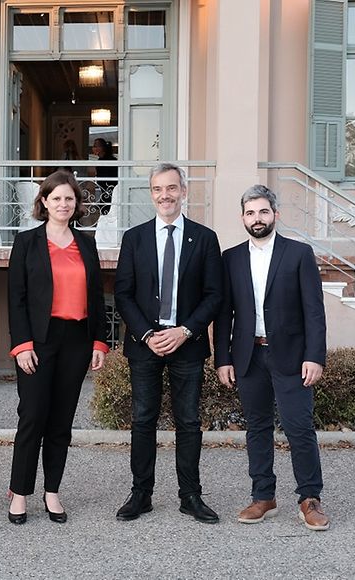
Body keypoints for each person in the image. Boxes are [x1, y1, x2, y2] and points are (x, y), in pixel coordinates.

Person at [214, 185, 329, 531]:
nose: (257, 218)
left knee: (299, 427)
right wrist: (223, 358)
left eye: (263, 212)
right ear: (243, 218)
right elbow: (224, 314)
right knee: (257, 428)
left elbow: (314, 312)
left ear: (275, 215)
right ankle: (263, 496)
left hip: (292, 358)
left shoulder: (298, 254)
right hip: (248, 356)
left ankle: (309, 498)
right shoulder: (231, 258)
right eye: (250, 213)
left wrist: (315, 356)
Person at [113, 162, 223, 523]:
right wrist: (147, 334)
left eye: (172, 188)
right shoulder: (135, 238)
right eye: (159, 189)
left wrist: (185, 331)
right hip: (145, 343)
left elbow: (213, 295)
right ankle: (140, 494)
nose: (166, 195)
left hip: (186, 343)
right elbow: (123, 294)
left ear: (184, 191)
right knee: (143, 419)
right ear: (151, 194)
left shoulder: (205, 238)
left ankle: (190, 495)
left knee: (188, 421)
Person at [6, 170, 109, 525]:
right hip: (38, 341)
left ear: (77, 204)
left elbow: (97, 297)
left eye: (69, 198)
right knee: (32, 417)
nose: (63, 204)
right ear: (44, 202)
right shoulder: (26, 242)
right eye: (56, 198)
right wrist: (21, 345)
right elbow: (16, 298)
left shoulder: (87, 244)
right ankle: (19, 493)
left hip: (77, 341)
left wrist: (99, 340)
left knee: (62, 422)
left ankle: (52, 492)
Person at [91, 138, 117, 215]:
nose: (94, 148)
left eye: (96, 146)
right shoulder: (101, 160)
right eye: (94, 146)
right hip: (104, 190)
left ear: (103, 148)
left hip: (110, 189)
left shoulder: (110, 160)